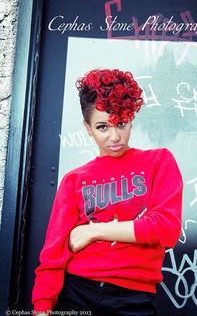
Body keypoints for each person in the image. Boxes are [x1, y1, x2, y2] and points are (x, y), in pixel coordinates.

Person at [32, 68, 183, 316]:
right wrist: (41, 308)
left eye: (121, 124)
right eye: (102, 127)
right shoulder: (74, 180)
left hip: (133, 299)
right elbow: (53, 254)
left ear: (131, 117)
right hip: (76, 292)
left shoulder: (159, 162)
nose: (115, 136)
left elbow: (166, 229)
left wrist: (93, 231)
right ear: (88, 128)